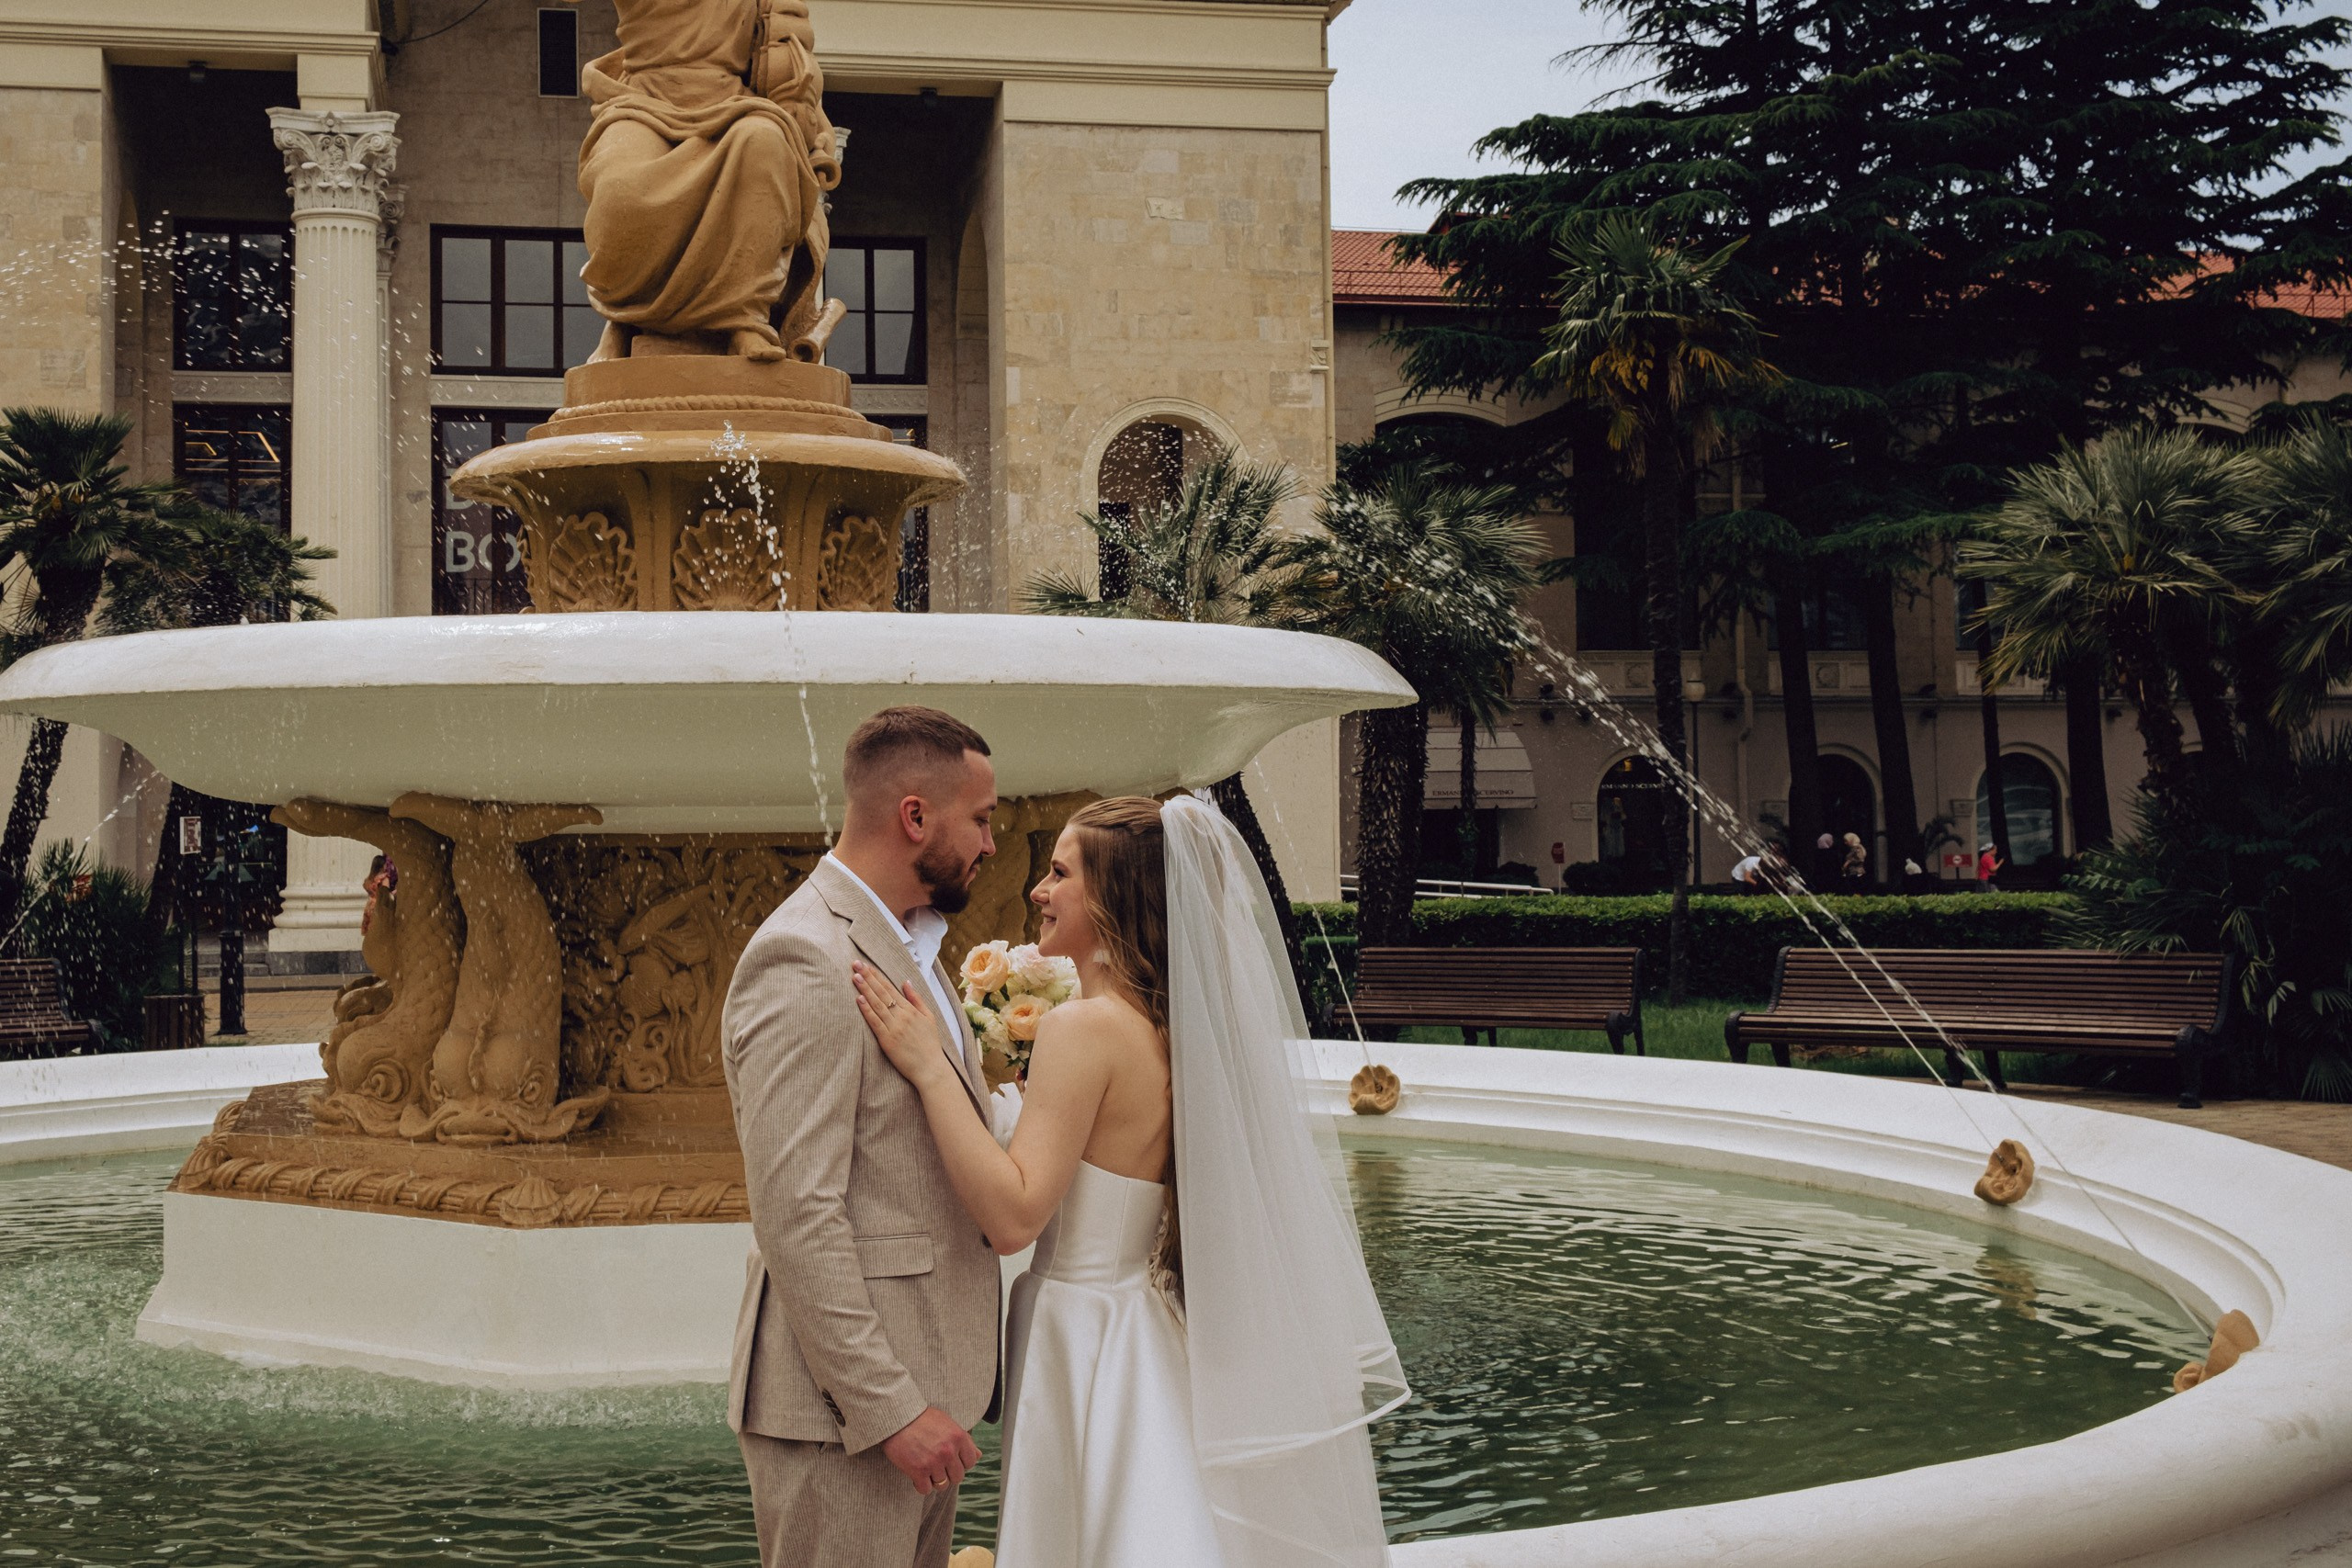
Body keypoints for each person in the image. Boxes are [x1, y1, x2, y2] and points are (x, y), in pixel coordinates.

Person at [854, 795, 1407, 1568]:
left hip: (1085, 1329)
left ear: (1113, 894)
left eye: (1059, 873)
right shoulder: (1168, 1026)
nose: (1039, 891)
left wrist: (926, 1066)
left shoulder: (1084, 1028)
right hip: (1144, 1322)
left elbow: (1015, 1216)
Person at [722, 705, 1004, 1568]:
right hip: (847, 1423)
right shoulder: (804, 958)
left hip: (924, 1400)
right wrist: (889, 1408)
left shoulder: (911, 943)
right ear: (915, 817)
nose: (993, 844)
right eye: (982, 819)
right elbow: (795, 1212)